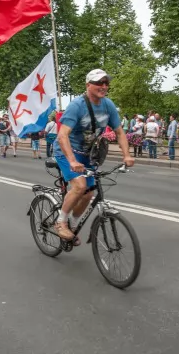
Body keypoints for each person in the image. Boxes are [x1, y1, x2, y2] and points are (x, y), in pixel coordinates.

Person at [52, 69, 134, 242]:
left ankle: (73, 224)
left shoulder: (108, 105)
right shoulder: (77, 106)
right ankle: (60, 222)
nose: (103, 86)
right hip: (68, 152)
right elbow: (62, 135)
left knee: (89, 194)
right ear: (88, 85)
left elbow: (119, 132)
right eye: (99, 83)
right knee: (80, 186)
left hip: (88, 155)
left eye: (106, 83)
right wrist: (72, 161)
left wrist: (127, 155)